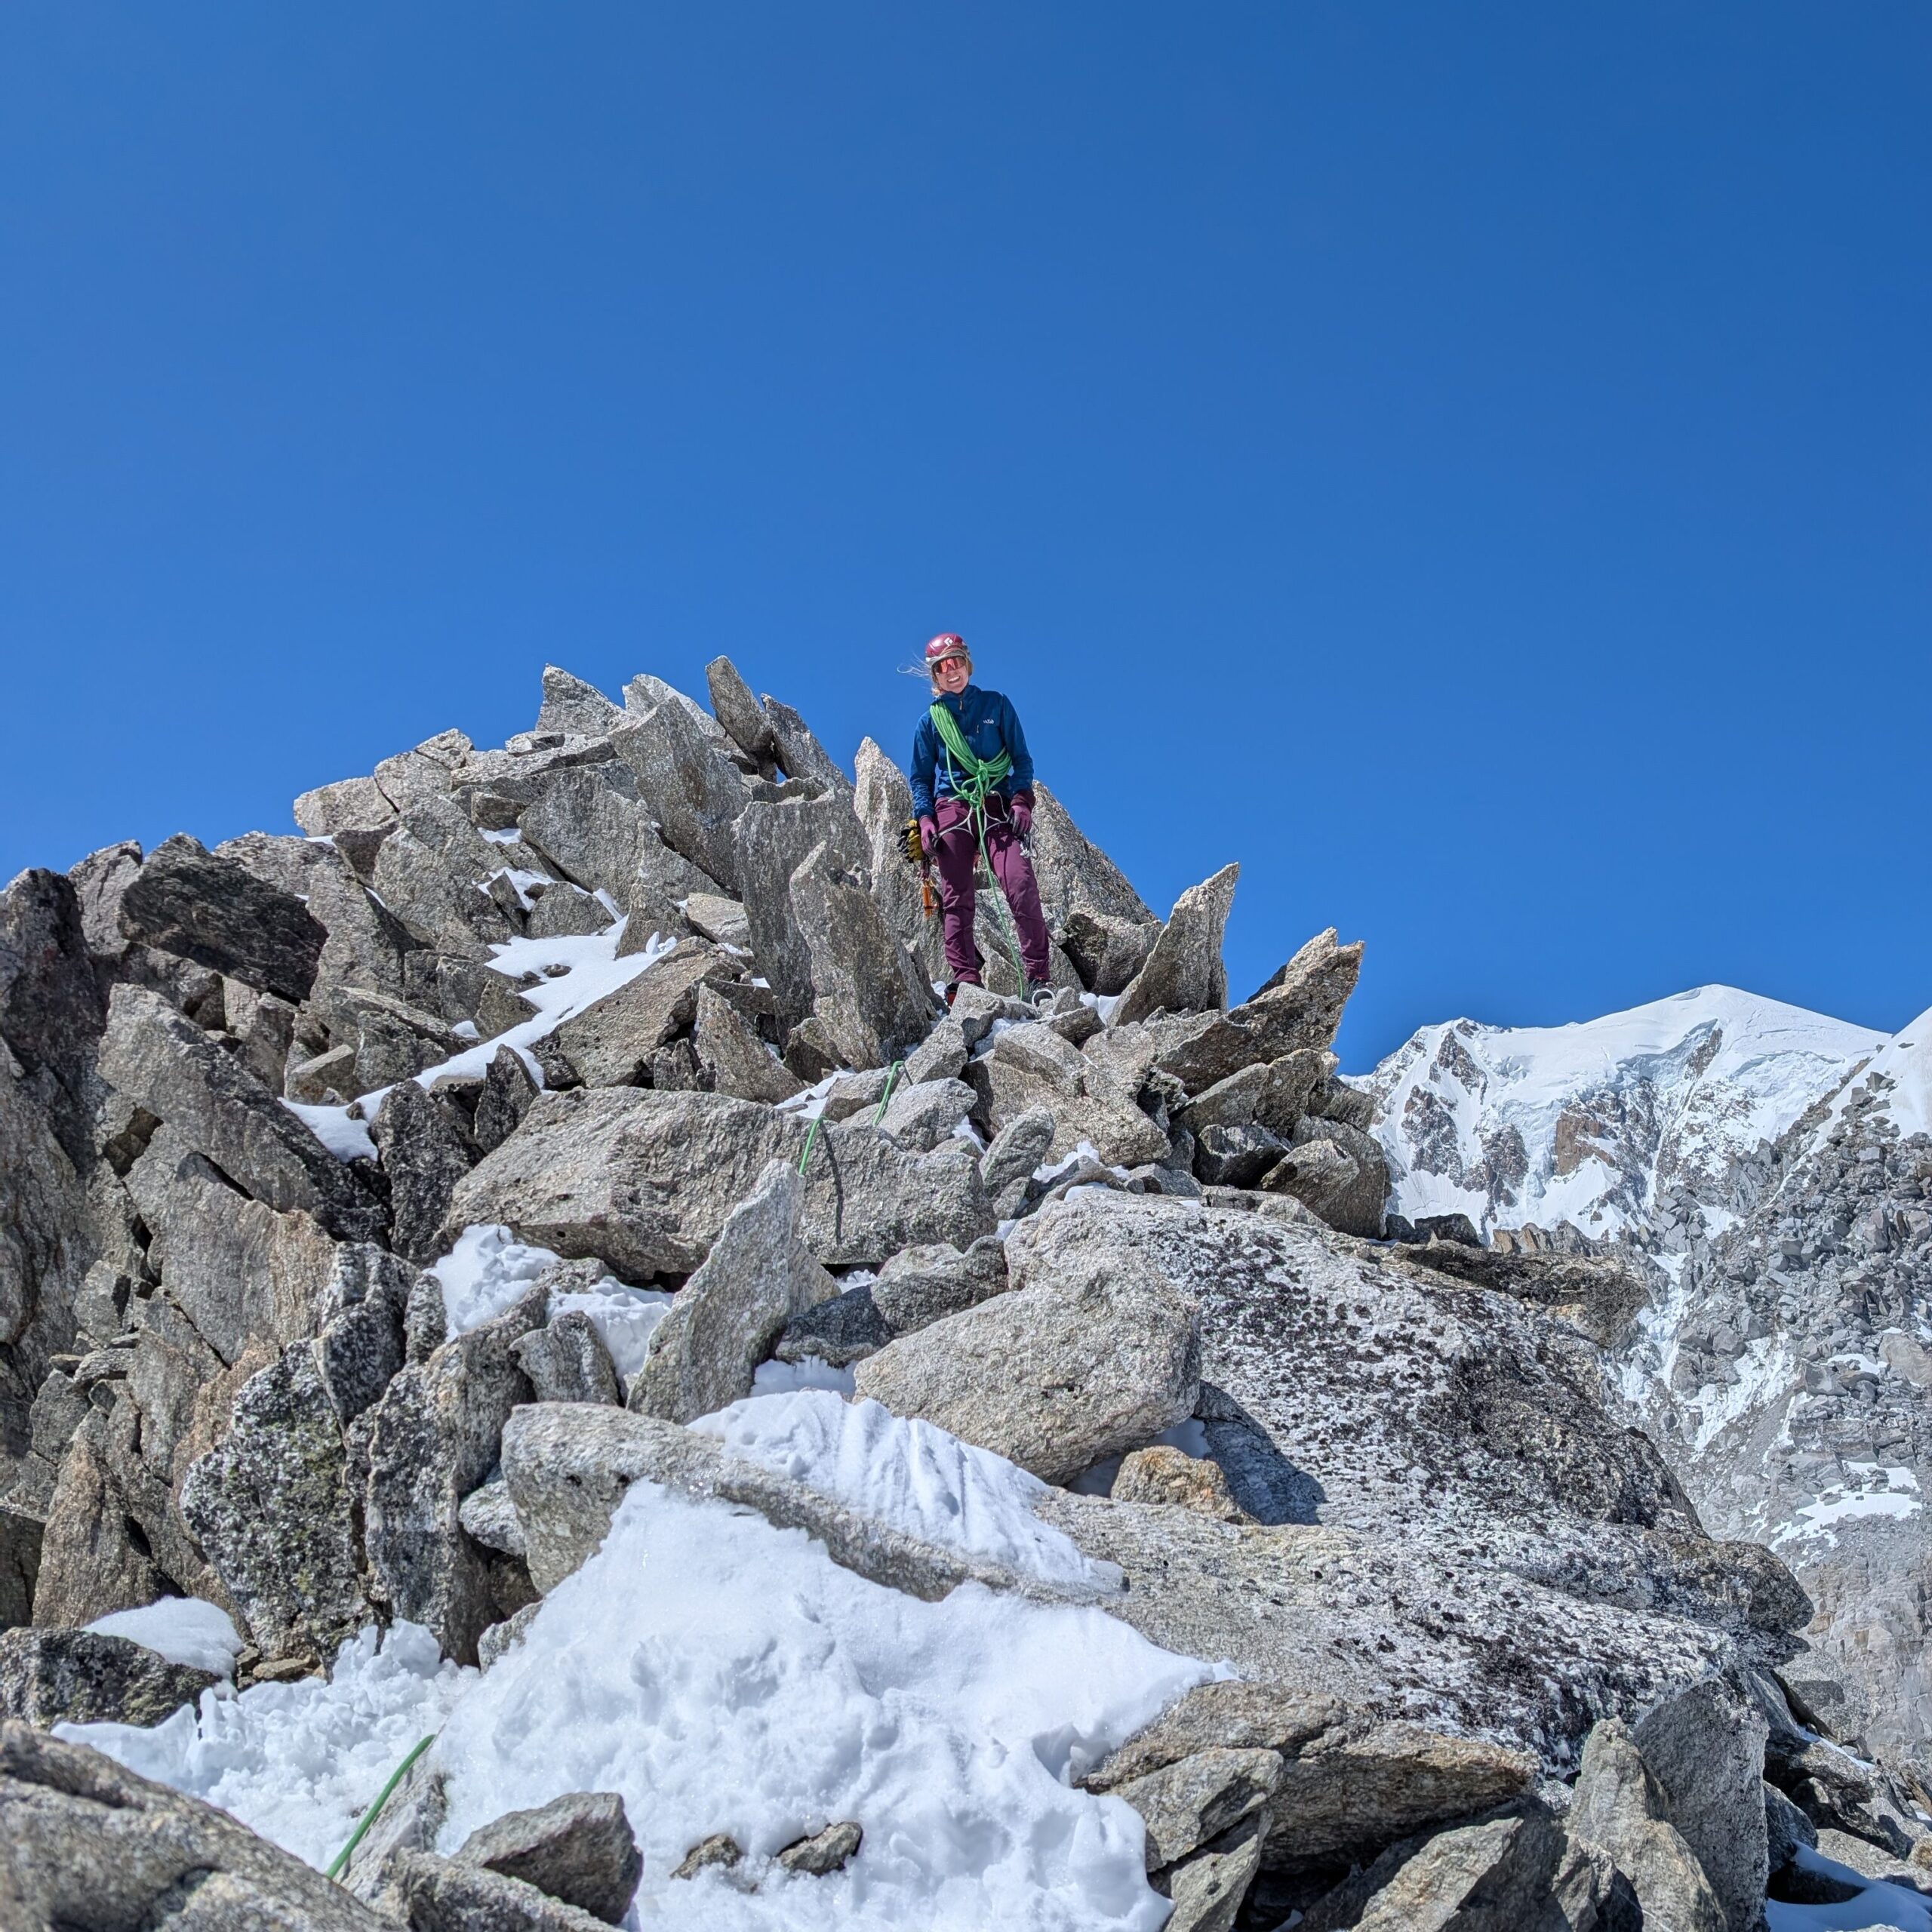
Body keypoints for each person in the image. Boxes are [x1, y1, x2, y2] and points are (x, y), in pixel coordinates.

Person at [908, 633, 1054, 1001]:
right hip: (952, 809)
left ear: (967, 664)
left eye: (956, 662)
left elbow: (1021, 760)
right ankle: (966, 978)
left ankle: (1039, 978)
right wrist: (925, 819)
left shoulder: (998, 706)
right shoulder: (930, 723)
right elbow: (921, 778)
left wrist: (1021, 801)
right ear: (935, 677)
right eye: (942, 667)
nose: (951, 671)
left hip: (996, 806)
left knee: (1020, 883)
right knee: (957, 895)